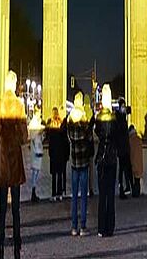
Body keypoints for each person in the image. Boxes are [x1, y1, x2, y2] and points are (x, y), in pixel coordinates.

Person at [0, 71, 27, 259]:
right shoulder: (19, 105)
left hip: (2, 157)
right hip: (15, 158)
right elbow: (24, 136)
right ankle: (18, 240)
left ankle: (0, 241)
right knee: (16, 206)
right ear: (14, 85)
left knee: (2, 205)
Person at [95, 84, 124, 237]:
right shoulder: (115, 118)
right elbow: (119, 135)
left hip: (101, 157)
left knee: (102, 194)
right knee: (111, 194)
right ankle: (110, 228)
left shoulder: (99, 117)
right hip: (112, 158)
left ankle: (101, 228)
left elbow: (97, 133)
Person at [67, 93, 93, 237]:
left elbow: (69, 137)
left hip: (74, 163)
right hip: (83, 163)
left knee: (74, 196)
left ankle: (73, 226)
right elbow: (89, 137)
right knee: (83, 196)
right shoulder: (83, 120)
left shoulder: (70, 121)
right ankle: (83, 226)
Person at [47, 106, 69, 202]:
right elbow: (65, 141)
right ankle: (60, 193)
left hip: (54, 153)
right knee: (60, 174)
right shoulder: (61, 124)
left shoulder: (51, 125)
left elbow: (49, 141)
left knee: (54, 176)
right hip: (61, 153)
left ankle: (53, 194)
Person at [116, 101, 132, 199]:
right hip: (122, 148)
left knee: (125, 168)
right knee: (123, 169)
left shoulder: (121, 117)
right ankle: (123, 188)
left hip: (124, 147)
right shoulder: (120, 119)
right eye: (123, 106)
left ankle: (127, 187)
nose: (124, 108)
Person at [28, 110, 45, 202]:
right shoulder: (34, 123)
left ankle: (34, 190)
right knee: (35, 171)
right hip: (36, 149)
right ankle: (33, 191)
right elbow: (33, 136)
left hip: (37, 147)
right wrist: (39, 131)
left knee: (36, 171)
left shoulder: (36, 122)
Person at [128, 125, 143, 197]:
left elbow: (130, 152)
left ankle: (135, 193)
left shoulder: (130, 140)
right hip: (139, 162)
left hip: (133, 162)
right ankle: (137, 192)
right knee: (138, 180)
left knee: (134, 180)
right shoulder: (139, 139)